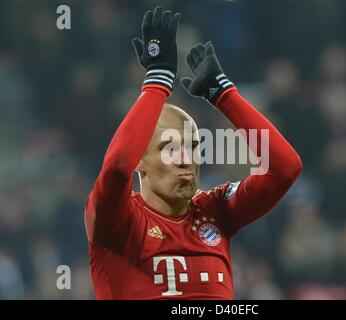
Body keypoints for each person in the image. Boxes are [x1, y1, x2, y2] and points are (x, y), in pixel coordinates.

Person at [84, 6, 302, 299]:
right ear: (141, 161)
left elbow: (285, 168)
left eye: (193, 147)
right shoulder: (117, 221)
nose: (185, 158)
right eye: (170, 148)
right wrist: (158, 80)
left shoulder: (215, 211)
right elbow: (117, 167)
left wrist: (224, 95)